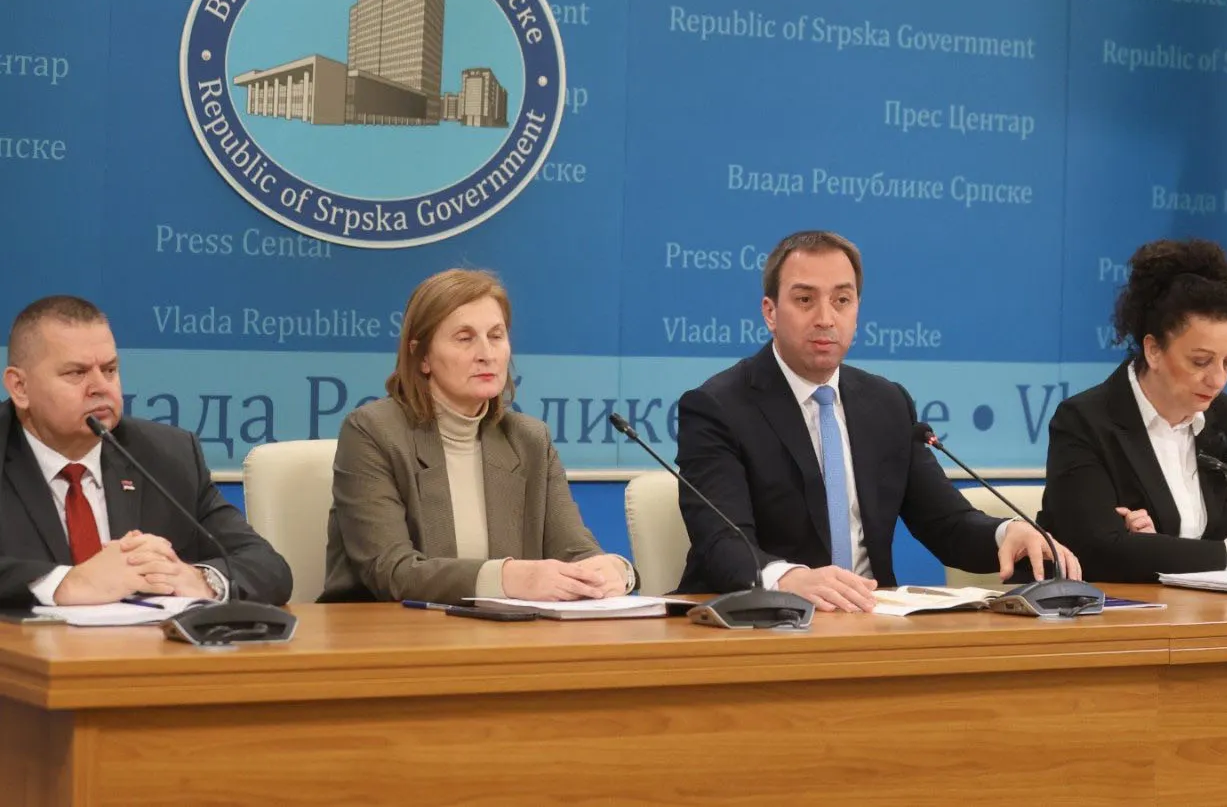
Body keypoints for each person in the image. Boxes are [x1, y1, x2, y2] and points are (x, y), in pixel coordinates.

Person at [675, 229, 1078, 612]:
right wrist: (789, 579)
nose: (825, 318)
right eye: (804, 300)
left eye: (842, 300)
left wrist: (1008, 534)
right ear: (770, 312)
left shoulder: (886, 403)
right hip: (762, 622)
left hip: (870, 618)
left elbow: (947, 524)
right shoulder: (718, 407)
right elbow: (722, 542)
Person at [321, 269, 635, 603]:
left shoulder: (529, 440)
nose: (487, 353)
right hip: (387, 628)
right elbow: (391, 571)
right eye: (465, 338)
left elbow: (575, 551)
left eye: (496, 336)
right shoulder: (373, 432)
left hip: (500, 631)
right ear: (422, 356)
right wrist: (509, 578)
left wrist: (615, 571)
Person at [0, 296, 292, 608]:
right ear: (20, 387)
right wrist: (65, 583)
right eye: (76, 373)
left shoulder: (167, 455)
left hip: (144, 639)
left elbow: (268, 568)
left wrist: (200, 579)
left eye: (110, 369)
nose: (101, 386)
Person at [1038, 240, 1227, 582]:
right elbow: (1098, 550)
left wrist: (1155, 550)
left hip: (1214, 611)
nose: (1218, 379)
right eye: (1200, 361)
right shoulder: (1085, 421)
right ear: (1154, 350)